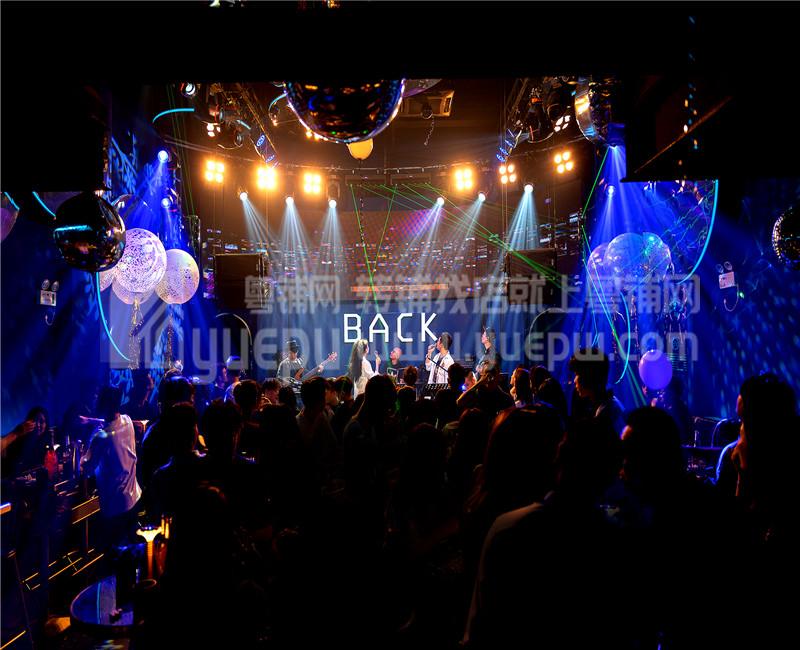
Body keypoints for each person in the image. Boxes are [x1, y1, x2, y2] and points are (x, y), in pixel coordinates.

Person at [80, 386, 142, 549]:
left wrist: (81, 455)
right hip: (133, 497)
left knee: (114, 553)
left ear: (104, 404)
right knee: (131, 549)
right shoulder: (127, 421)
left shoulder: (101, 437)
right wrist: (90, 420)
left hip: (115, 505)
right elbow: (112, 424)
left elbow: (87, 469)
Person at [568, 347, 626, 436]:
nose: (574, 380)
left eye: (577, 374)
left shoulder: (606, 414)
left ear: (589, 375)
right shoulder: (608, 405)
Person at [2, 406, 50, 477]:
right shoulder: (19, 439)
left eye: (41, 421)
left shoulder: (48, 441)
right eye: (34, 421)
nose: (38, 425)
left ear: (46, 424)